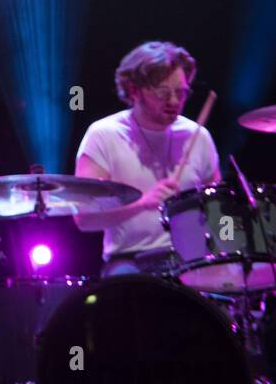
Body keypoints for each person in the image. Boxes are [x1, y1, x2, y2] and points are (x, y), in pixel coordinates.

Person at [73, 40, 220, 276]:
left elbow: (218, 210)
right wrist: (142, 204)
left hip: (192, 257)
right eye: (163, 92)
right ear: (134, 90)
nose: (174, 101)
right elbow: (84, 220)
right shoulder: (104, 135)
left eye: (181, 92)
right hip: (131, 260)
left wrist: (228, 241)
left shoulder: (198, 136)